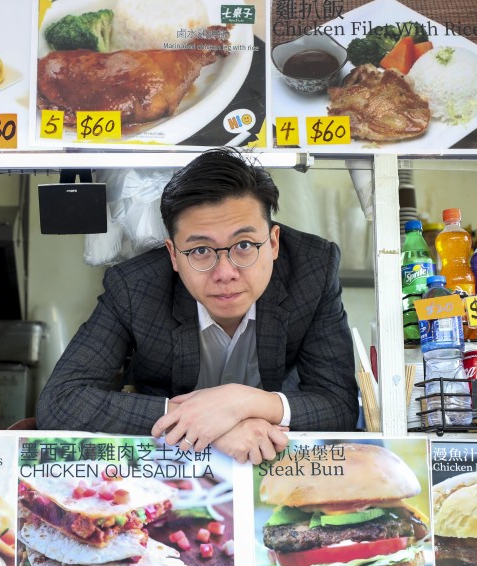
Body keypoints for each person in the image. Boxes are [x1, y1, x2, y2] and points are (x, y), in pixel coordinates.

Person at [36, 148, 358, 462]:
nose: (225, 273)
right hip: (169, 466)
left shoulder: (311, 269)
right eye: (200, 250)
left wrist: (243, 403)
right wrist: (201, 421)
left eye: (244, 245)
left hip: (269, 459)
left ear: (273, 243)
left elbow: (338, 405)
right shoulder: (136, 287)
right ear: (173, 255)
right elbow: (61, 401)